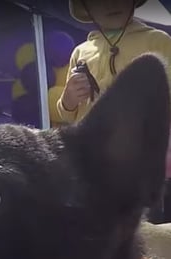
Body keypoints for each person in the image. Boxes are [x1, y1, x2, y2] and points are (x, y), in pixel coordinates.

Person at [55, 0, 171, 221]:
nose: (110, 4)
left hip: (146, 165)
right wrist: (68, 99)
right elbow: (68, 116)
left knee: (151, 231)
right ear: (87, 9)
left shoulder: (158, 41)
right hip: (94, 168)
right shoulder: (80, 52)